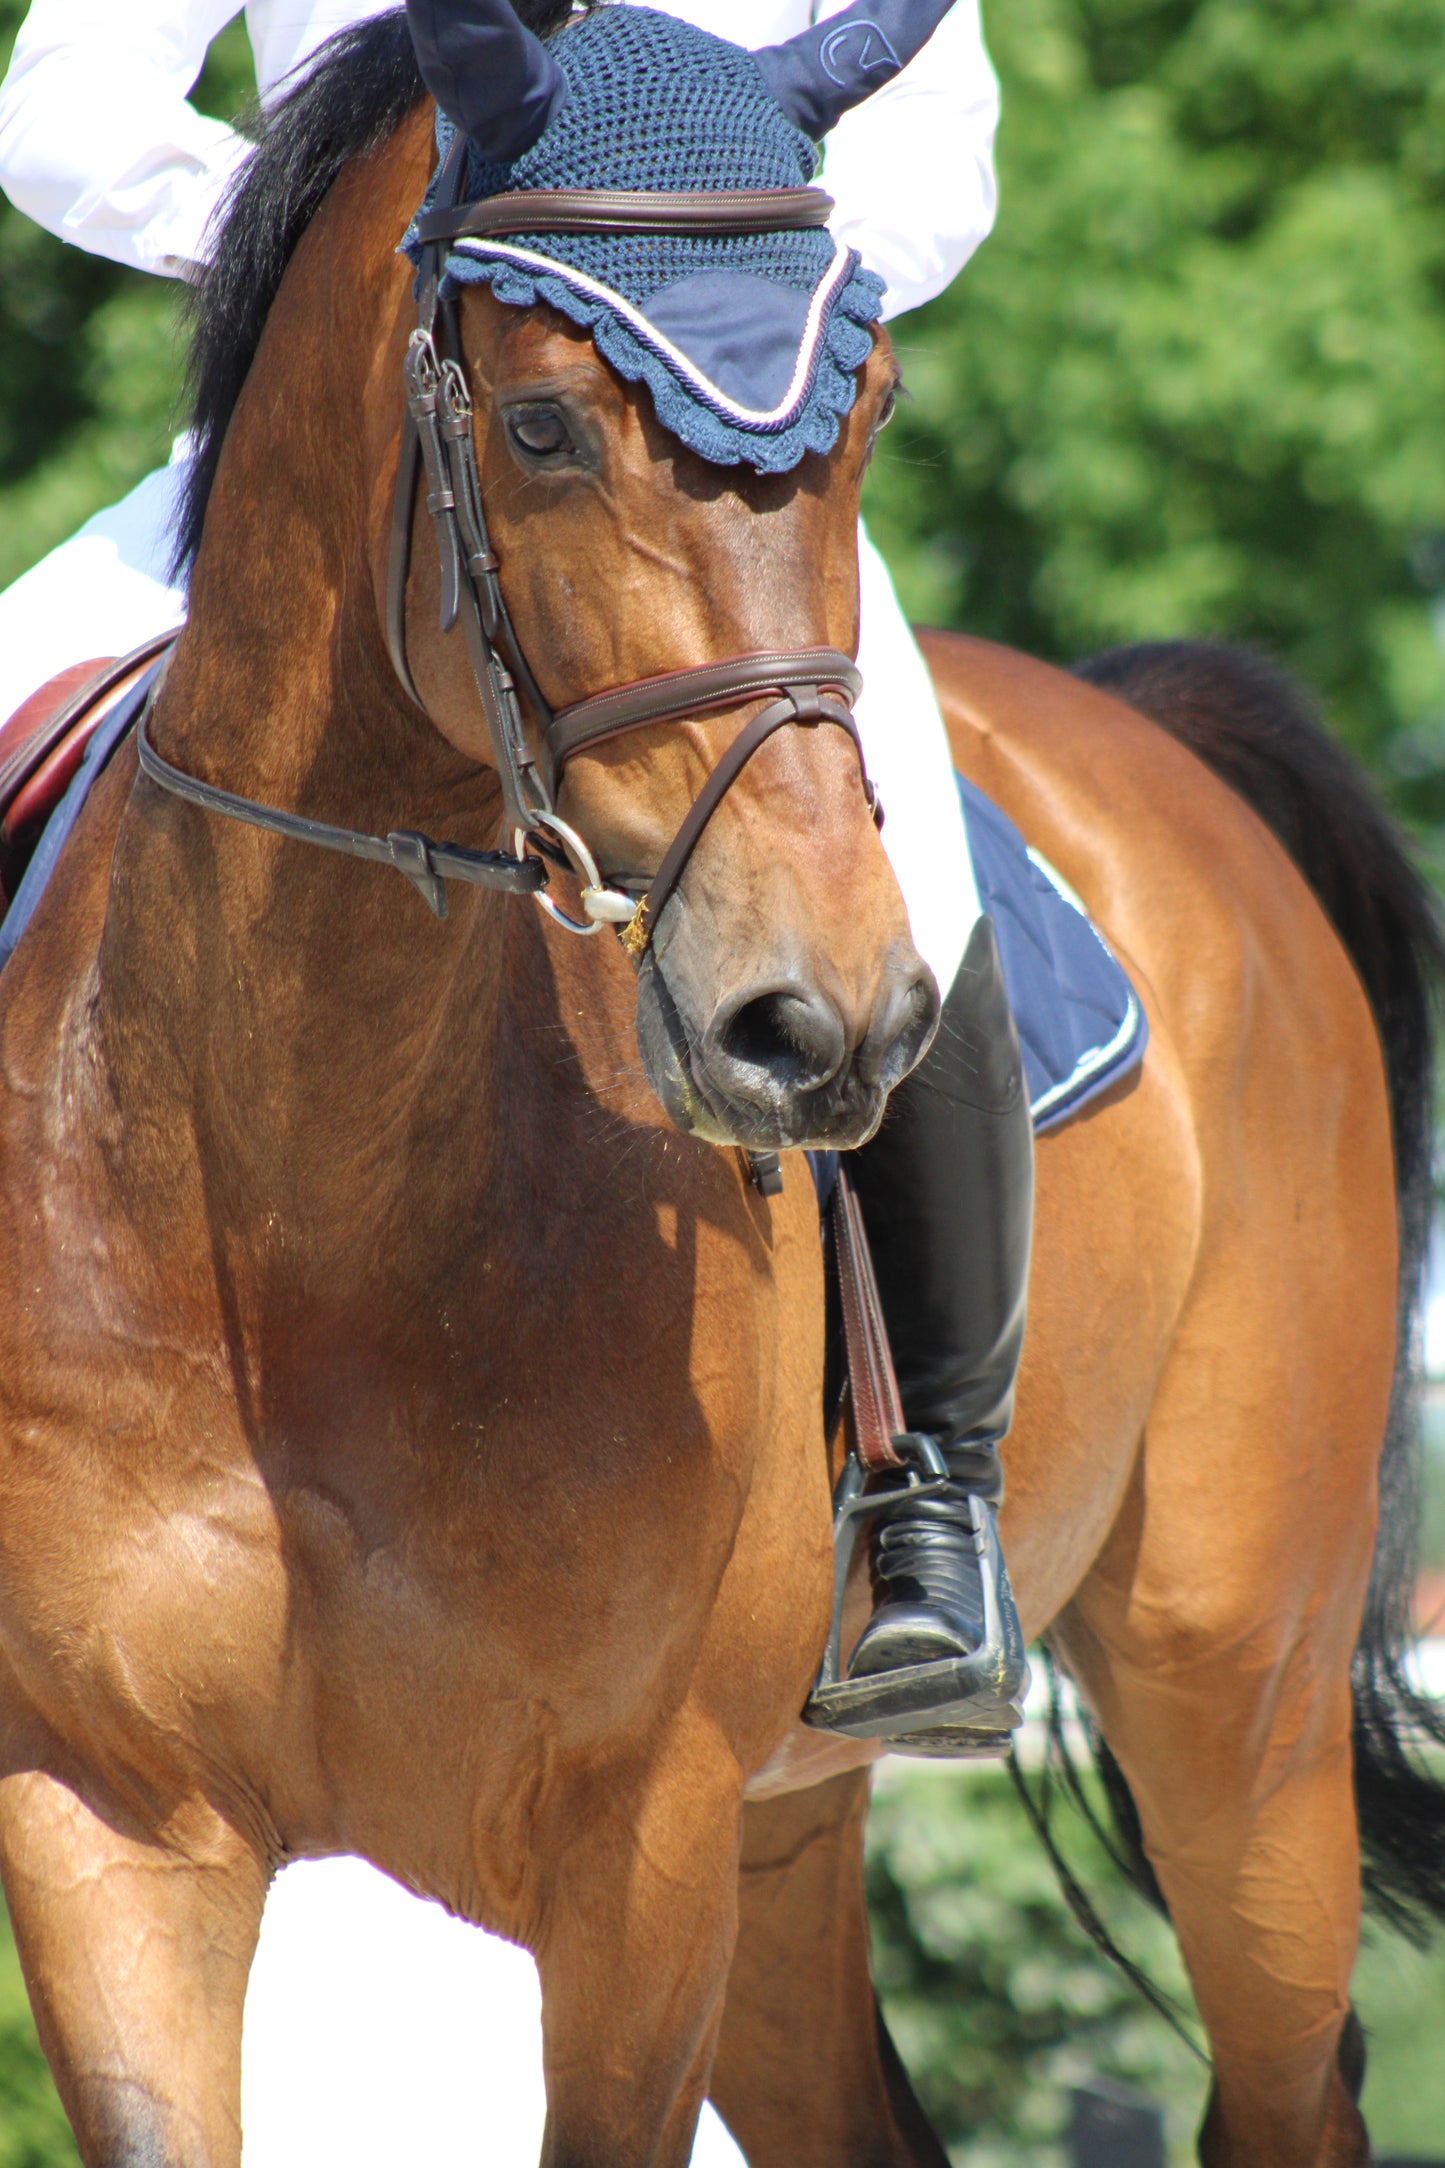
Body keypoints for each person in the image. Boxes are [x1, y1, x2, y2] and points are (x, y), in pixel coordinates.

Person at [0, 0, 1028, 2139]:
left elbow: (941, 146)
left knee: (902, 855)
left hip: (714, 444)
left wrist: (731, 240)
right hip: (355, 406)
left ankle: (933, 1490)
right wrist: (331, 232)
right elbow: (62, 109)